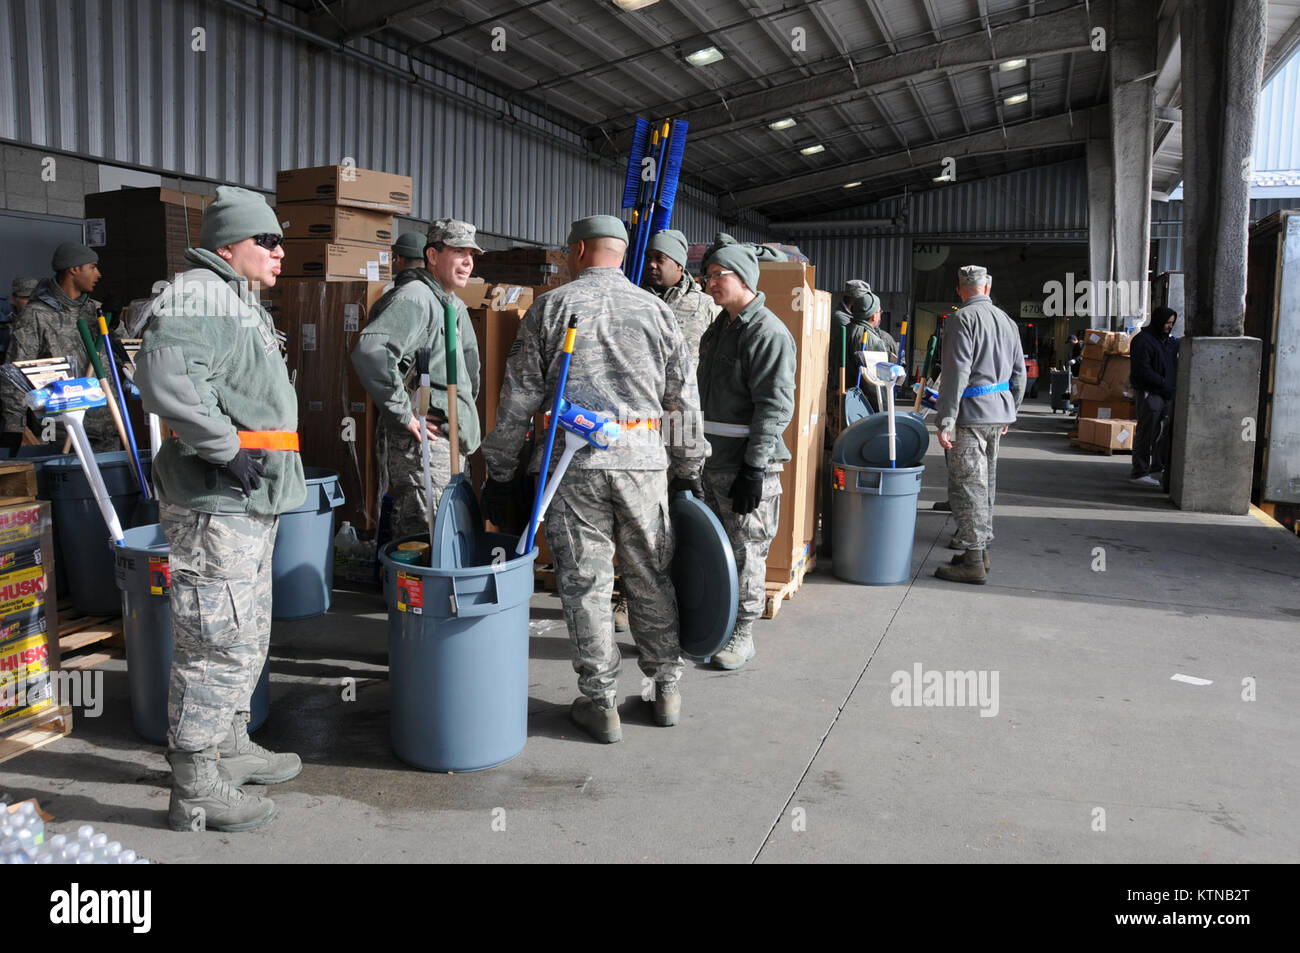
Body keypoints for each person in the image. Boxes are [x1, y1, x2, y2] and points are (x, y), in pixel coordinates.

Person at [480, 215, 704, 743]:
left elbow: (519, 399)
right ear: (622, 255)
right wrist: (688, 468)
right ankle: (665, 688)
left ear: (578, 250)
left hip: (572, 464)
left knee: (587, 582)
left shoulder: (552, 307)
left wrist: (502, 470)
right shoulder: (659, 311)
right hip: (644, 462)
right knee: (651, 574)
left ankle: (600, 702)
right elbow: (682, 402)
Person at [135, 186, 306, 832]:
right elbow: (166, 373)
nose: (279, 251)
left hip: (248, 499)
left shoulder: (234, 298)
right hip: (218, 502)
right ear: (228, 245)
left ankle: (228, 745)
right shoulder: (200, 296)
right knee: (216, 639)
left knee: (247, 630)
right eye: (267, 241)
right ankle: (195, 781)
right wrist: (226, 448)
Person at [696, 235, 796, 669]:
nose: (710, 283)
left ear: (744, 278)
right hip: (711, 460)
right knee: (716, 549)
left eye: (718, 275)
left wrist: (754, 469)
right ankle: (717, 621)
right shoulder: (722, 327)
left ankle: (742, 632)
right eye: (708, 275)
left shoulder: (767, 332)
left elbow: (775, 405)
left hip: (745, 464)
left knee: (748, 549)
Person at [352, 219, 483, 539]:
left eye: (471, 253)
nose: (468, 261)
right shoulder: (416, 297)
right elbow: (371, 351)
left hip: (450, 439)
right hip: (426, 442)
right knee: (425, 538)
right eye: (458, 252)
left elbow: (471, 371)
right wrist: (403, 413)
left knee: (445, 536)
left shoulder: (452, 303)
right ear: (433, 256)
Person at [933, 265, 1026, 585]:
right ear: (987, 286)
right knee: (986, 486)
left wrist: (946, 419)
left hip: (969, 416)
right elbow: (1019, 373)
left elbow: (956, 373)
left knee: (967, 486)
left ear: (960, 290)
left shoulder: (962, 319)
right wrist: (1011, 409)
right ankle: (981, 551)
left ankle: (973, 561)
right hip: (997, 413)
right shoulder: (1008, 321)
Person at [1, 246, 121, 454]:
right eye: (92, 267)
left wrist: (114, 325)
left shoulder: (97, 310)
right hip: (62, 432)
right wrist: (14, 426)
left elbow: (125, 358)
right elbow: (15, 374)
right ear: (73, 269)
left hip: (109, 429)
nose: (98, 274)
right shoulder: (36, 316)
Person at [641, 228, 716, 372]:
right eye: (648, 258)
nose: (651, 264)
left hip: (688, 392)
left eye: (659, 259)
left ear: (679, 265)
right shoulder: (634, 301)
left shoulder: (705, 306)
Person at [1129, 306, 1177, 487]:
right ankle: (1140, 470)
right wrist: (1163, 383)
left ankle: (1157, 467)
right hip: (1150, 393)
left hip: (1164, 393)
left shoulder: (1166, 342)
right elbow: (1142, 370)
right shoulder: (1143, 341)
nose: (1169, 326)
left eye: (1172, 323)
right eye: (1167, 322)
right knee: (1147, 431)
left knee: (1162, 433)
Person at [0, 277, 37, 365]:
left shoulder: (46, 321)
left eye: (35, 298)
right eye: (26, 298)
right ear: (14, 299)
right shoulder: (5, 325)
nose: (31, 302)